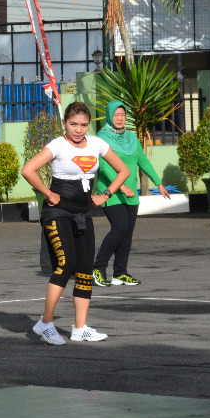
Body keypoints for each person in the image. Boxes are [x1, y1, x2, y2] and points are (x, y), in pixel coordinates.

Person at [20, 101, 129, 347]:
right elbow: (28, 170)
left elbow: (122, 171)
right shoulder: (58, 145)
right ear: (64, 124)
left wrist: (106, 194)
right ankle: (45, 323)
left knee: (84, 270)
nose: (78, 130)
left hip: (83, 214)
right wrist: (48, 194)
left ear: (89, 125)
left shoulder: (97, 144)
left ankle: (80, 328)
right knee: (65, 263)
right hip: (57, 213)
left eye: (83, 125)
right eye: (73, 124)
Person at [93, 101, 169, 287]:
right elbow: (104, 167)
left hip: (130, 194)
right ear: (110, 115)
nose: (120, 118)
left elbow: (142, 161)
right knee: (119, 228)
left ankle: (120, 272)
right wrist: (121, 187)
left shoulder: (132, 138)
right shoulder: (101, 138)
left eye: (123, 114)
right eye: (116, 114)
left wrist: (158, 183)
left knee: (127, 233)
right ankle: (98, 267)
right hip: (111, 192)